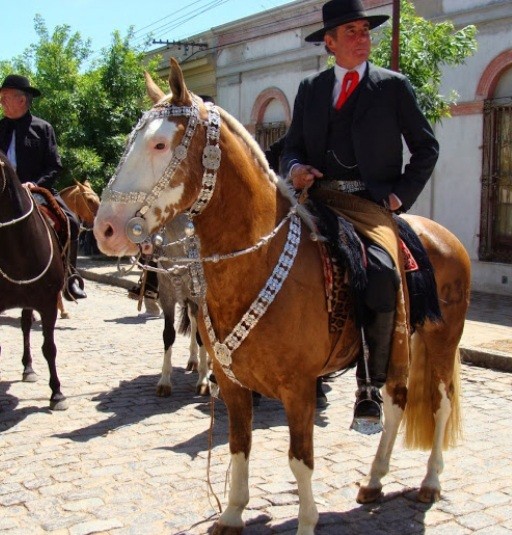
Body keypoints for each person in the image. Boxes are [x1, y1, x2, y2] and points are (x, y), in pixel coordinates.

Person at [280, 0, 439, 433]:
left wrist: (398, 197)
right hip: (317, 199)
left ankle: (369, 387)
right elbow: (291, 146)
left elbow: (427, 148)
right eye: (350, 31)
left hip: (370, 206)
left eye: (365, 30)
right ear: (329, 43)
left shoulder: (393, 87)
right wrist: (294, 168)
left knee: (383, 273)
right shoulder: (311, 89)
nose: (362, 37)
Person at [0, 74, 87, 300]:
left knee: (72, 223)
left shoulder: (43, 128)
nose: (1, 102)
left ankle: (70, 278)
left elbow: (54, 165)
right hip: (2, 193)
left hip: (35, 190)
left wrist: (35, 184)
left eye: (5, 97)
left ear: (21, 100)